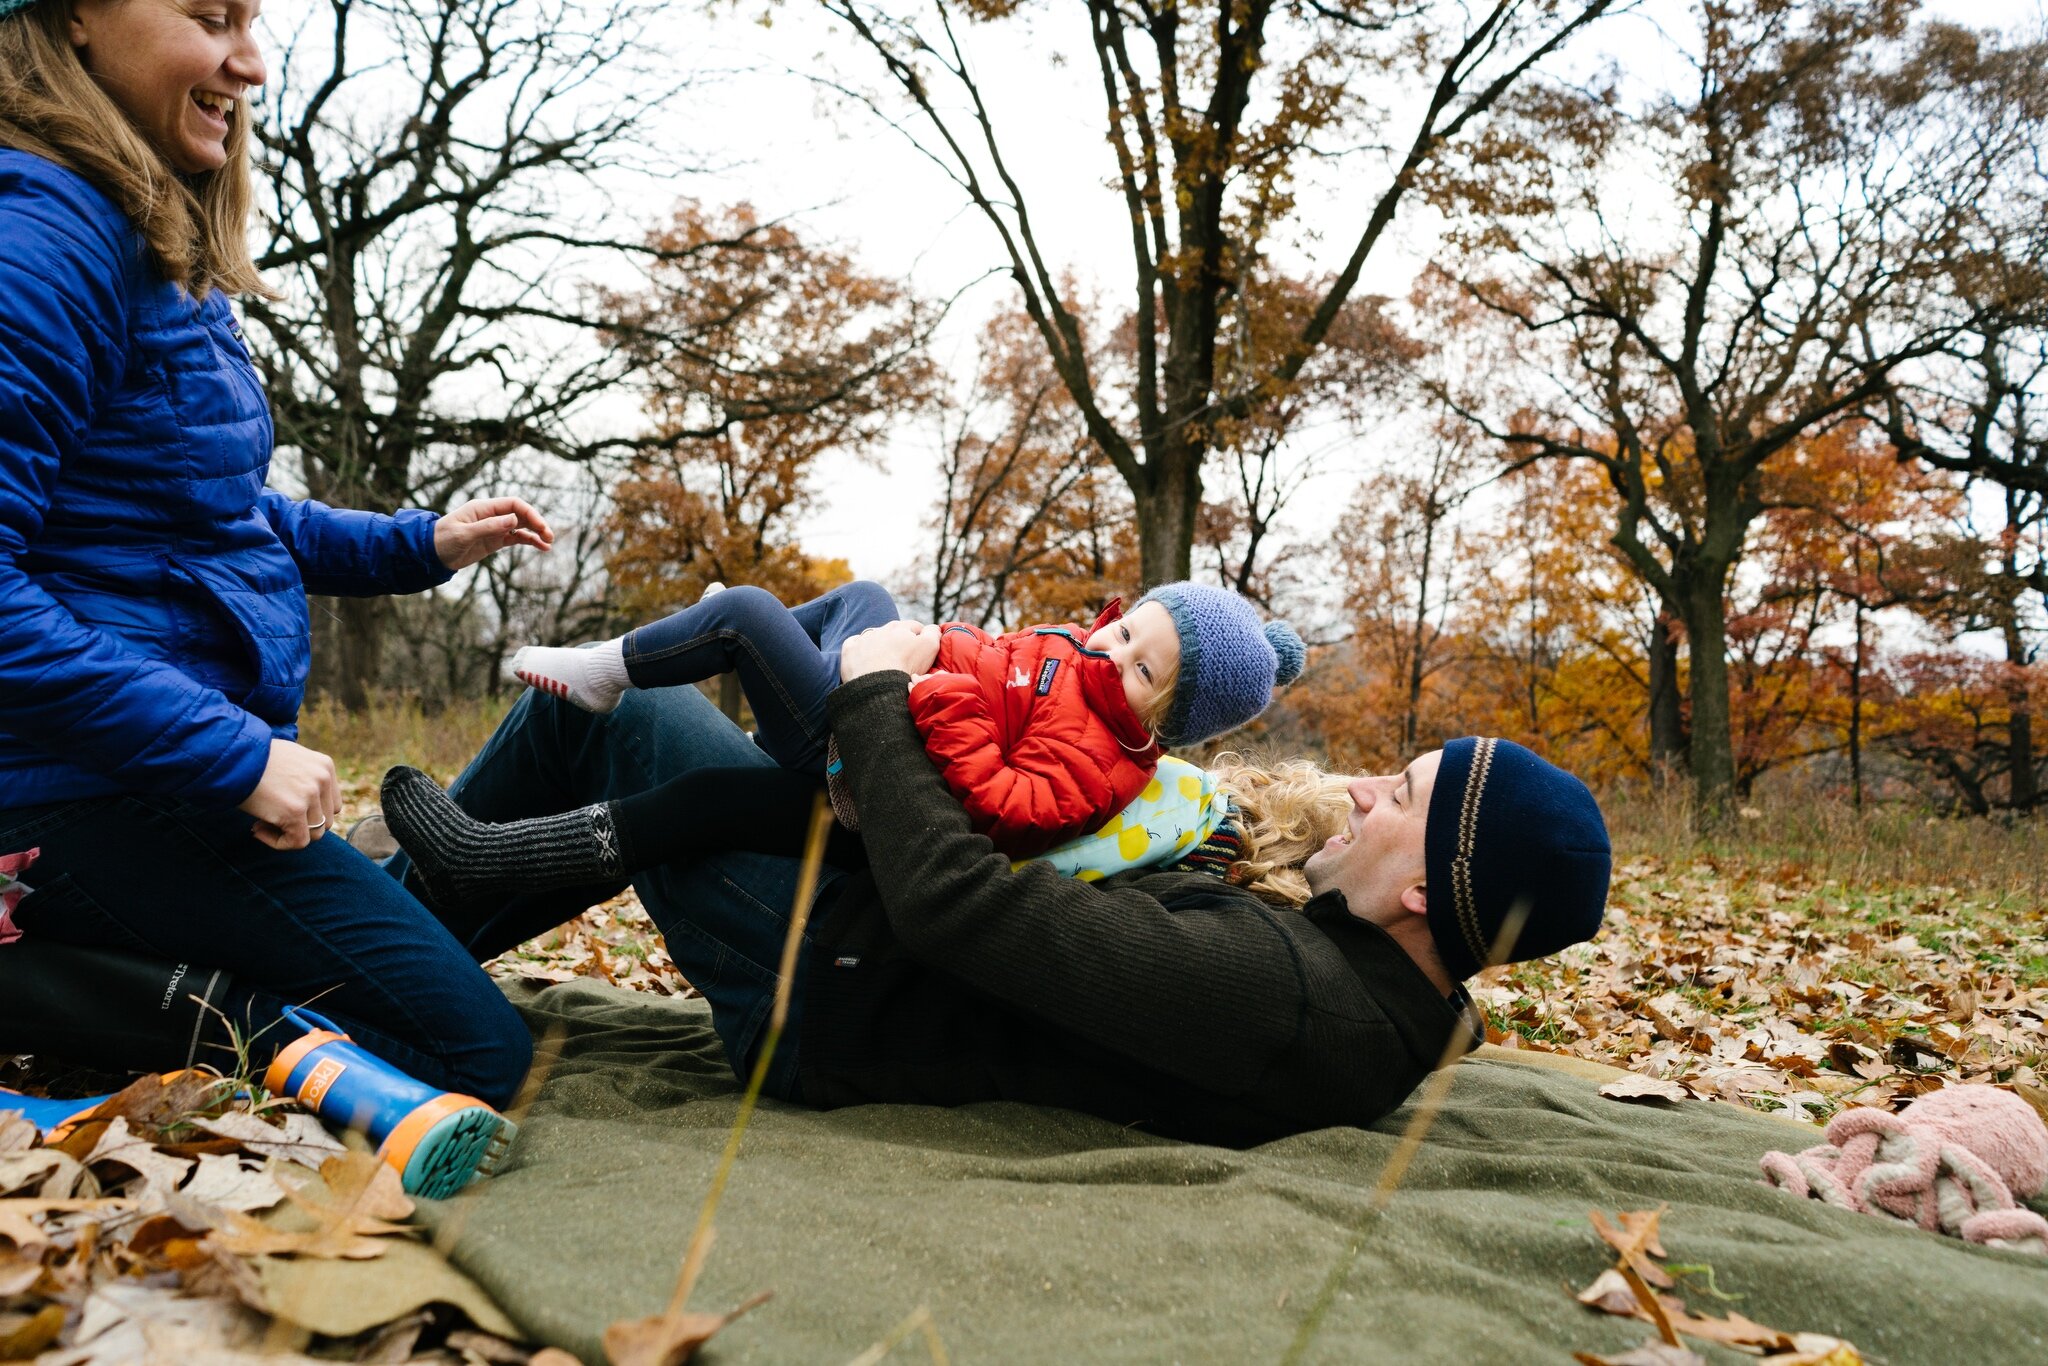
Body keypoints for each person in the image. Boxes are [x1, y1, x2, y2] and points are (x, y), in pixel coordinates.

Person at [392, 619, 1614, 1145]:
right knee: (632, 730)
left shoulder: (1280, 991)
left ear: (1425, 893)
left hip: (832, 982)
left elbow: (961, 908)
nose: (1361, 794)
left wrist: (880, 692)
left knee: (629, 709)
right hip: (867, 954)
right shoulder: (1370, 988)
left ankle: (359, 927)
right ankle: (401, 907)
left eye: (1398, 799)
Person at [0, 0, 544, 1147]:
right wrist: (235, 756)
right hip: (83, 790)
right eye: (209, 16)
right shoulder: (44, 232)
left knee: (410, 971)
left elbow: (219, 516)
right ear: (80, 19)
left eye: (253, 21)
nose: (248, 61)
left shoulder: (144, 235)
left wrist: (421, 543)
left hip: (159, 774)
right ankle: (135, 998)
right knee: (472, 1053)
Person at [502, 578, 1306, 857]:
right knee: (864, 599)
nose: (1111, 651)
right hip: (882, 697)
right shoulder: (1075, 650)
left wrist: (928, 689)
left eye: (1140, 669)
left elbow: (1004, 807)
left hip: (861, 756)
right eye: (1126, 629)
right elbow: (1004, 675)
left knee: (746, 613)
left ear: (1165, 721)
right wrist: (944, 643)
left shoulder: (1103, 760)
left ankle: (613, 672)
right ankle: (727, 642)